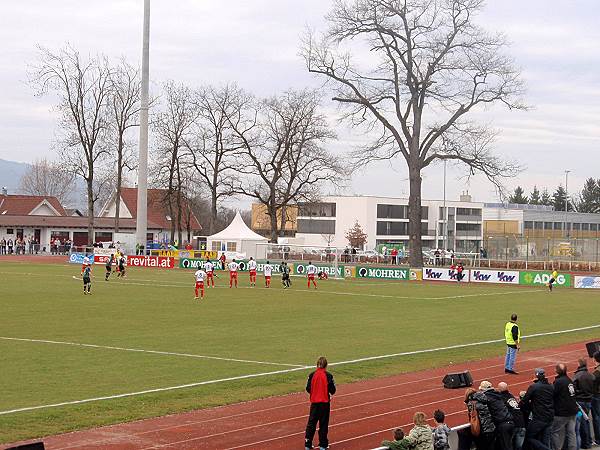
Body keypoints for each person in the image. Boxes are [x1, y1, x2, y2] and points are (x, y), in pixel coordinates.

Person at [304, 356, 336, 450]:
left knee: (311, 423)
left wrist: (314, 393)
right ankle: (323, 445)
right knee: (323, 424)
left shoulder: (312, 374)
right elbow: (333, 390)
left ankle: (308, 444)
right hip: (324, 403)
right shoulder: (328, 375)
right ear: (326, 365)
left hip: (314, 403)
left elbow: (308, 388)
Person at [522, 368, 555, 450]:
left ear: (536, 376)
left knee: (529, 437)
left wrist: (529, 407)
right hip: (550, 416)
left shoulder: (534, 387)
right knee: (545, 439)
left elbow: (524, 401)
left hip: (539, 417)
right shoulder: (551, 386)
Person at [479, 380, 515, 450]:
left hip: (503, 424)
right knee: (508, 445)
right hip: (510, 421)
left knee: (506, 446)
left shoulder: (487, 397)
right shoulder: (498, 394)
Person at [552, 363, 578, 450]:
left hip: (562, 412)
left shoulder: (558, 382)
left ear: (557, 371)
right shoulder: (569, 380)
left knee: (556, 432)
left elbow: (553, 394)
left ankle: (558, 448)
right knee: (571, 432)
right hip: (573, 411)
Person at [573, 359, 594, 450]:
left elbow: (573, 389)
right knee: (586, 420)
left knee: (582, 423)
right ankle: (588, 441)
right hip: (589, 401)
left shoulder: (577, 376)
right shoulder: (591, 375)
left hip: (580, 401)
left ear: (579, 364)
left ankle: (586, 443)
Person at [498, 382, 527, 450]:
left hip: (513, 424)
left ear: (499, 389)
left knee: (509, 445)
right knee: (519, 447)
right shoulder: (511, 396)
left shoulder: (501, 398)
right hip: (522, 424)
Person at [591, 352, 600, 446]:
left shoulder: (596, 373)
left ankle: (598, 439)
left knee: (597, 417)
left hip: (597, 396)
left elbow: (592, 386)